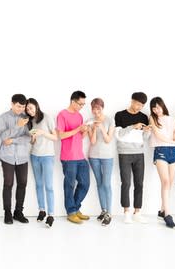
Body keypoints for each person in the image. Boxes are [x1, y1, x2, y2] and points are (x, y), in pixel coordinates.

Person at [114, 92, 150, 224]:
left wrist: (147, 132)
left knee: (139, 183)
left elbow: (144, 139)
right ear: (132, 101)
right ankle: (126, 212)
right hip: (124, 153)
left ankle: (137, 212)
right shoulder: (120, 115)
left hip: (139, 154)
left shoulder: (144, 117)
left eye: (142, 105)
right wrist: (133, 127)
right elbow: (119, 135)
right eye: (138, 104)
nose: (140, 107)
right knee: (126, 183)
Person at [56, 91, 90, 224]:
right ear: (73, 101)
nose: (82, 106)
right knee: (69, 185)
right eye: (80, 104)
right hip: (68, 157)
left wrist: (85, 131)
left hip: (80, 156)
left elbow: (79, 137)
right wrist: (77, 129)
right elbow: (61, 135)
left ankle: (75, 208)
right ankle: (71, 212)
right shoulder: (62, 115)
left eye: (83, 104)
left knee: (85, 183)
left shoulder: (80, 116)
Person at [0, 94, 31, 224]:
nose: (21, 109)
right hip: (7, 157)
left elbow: (28, 138)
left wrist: (13, 140)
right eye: (18, 106)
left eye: (23, 107)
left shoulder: (26, 118)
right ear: (12, 104)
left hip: (22, 157)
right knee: (8, 184)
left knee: (22, 183)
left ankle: (19, 212)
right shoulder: (3, 118)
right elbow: (3, 137)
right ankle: (7, 213)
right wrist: (17, 126)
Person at [149, 97, 175, 229]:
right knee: (165, 182)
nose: (156, 110)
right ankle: (167, 214)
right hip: (161, 150)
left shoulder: (171, 119)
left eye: (158, 107)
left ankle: (162, 210)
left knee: (170, 182)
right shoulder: (152, 118)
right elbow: (157, 135)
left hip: (173, 152)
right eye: (154, 108)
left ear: (162, 105)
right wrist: (174, 142)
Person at [25, 98, 57, 228]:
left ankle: (51, 215)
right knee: (39, 185)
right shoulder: (30, 121)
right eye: (27, 109)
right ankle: (42, 210)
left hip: (47, 156)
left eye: (31, 108)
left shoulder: (47, 118)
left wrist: (43, 133)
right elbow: (32, 142)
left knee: (48, 186)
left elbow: (55, 137)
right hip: (34, 156)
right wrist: (33, 138)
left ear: (37, 106)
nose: (30, 111)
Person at [86, 98, 115, 226]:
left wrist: (102, 128)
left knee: (106, 184)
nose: (96, 111)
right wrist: (92, 128)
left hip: (107, 156)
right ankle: (103, 210)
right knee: (99, 183)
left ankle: (109, 213)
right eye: (94, 109)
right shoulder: (89, 121)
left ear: (102, 108)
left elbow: (108, 139)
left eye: (98, 108)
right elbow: (92, 142)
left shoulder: (110, 120)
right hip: (93, 156)